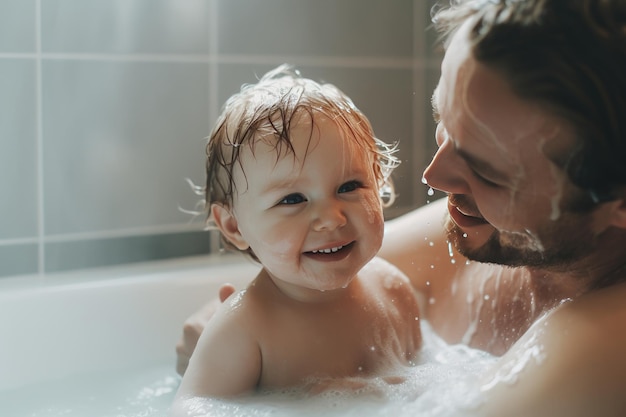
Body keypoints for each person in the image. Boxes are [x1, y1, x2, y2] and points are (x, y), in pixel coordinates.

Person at [176, 0, 626, 415]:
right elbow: (306, 282)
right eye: (443, 123)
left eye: (488, 172)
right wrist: (238, 335)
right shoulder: (477, 229)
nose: (433, 176)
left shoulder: (602, 347)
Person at [170, 65, 422, 413]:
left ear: (380, 186)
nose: (331, 218)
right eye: (292, 200)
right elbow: (194, 408)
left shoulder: (395, 289)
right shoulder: (245, 330)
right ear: (233, 227)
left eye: (349, 187)